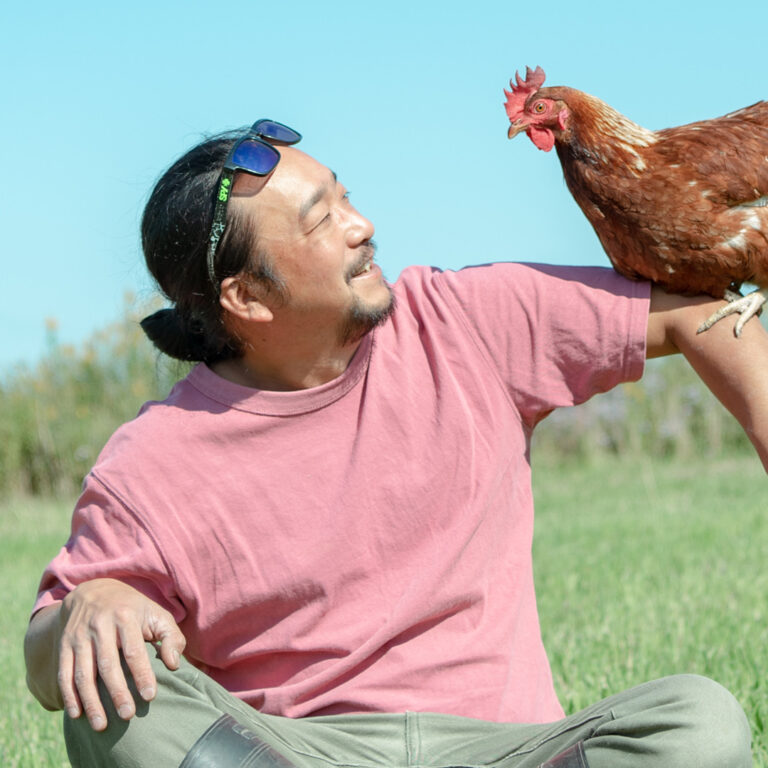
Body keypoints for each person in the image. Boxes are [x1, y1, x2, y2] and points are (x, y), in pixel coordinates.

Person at [24, 119, 768, 768]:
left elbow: (689, 314)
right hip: (291, 754)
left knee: (697, 726)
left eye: (344, 196)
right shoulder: (157, 456)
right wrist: (91, 603)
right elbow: (42, 663)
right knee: (117, 700)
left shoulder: (460, 322)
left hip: (508, 752)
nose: (362, 224)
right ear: (245, 297)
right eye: (322, 221)